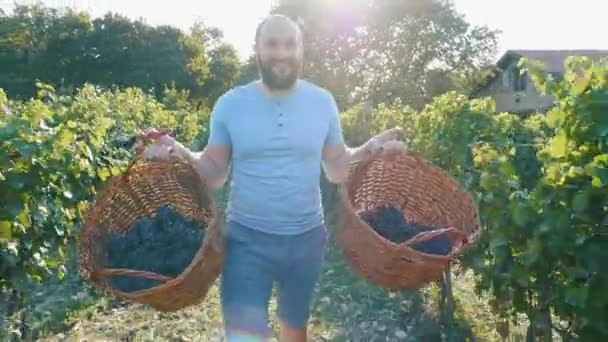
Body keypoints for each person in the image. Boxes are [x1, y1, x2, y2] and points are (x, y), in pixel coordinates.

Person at [142, 14, 407, 342]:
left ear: (300, 50)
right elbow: (214, 171)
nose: (281, 53)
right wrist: (178, 152)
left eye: (289, 44)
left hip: (307, 241)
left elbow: (337, 167)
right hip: (245, 241)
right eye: (271, 44)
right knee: (245, 335)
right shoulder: (230, 105)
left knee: (294, 328)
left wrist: (368, 150)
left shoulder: (322, 103)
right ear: (257, 50)